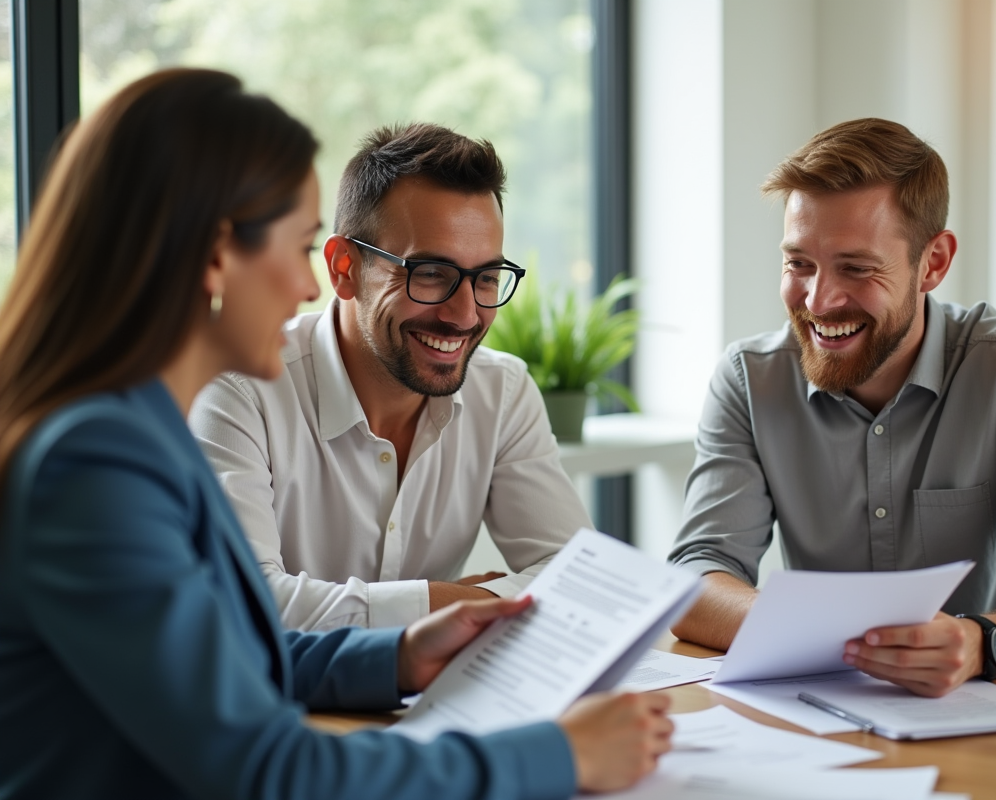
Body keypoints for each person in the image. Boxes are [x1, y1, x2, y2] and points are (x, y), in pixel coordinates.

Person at [0, 68, 671, 800]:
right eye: (297, 249)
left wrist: (393, 657)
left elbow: (218, 657)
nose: (307, 288)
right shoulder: (98, 463)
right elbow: (270, 769)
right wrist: (557, 757)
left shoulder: (132, 429)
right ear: (219, 257)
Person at [668, 118, 996, 698]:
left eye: (856, 268)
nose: (819, 300)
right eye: (798, 263)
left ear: (932, 263)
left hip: (981, 704)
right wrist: (821, 637)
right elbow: (697, 575)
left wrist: (979, 642)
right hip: (820, 712)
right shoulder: (748, 378)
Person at [189, 122, 590, 631]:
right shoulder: (239, 389)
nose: (464, 314)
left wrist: (447, 604)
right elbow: (245, 605)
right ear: (343, 267)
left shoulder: (503, 391)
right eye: (430, 273)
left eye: (486, 278)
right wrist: (448, 601)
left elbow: (577, 579)